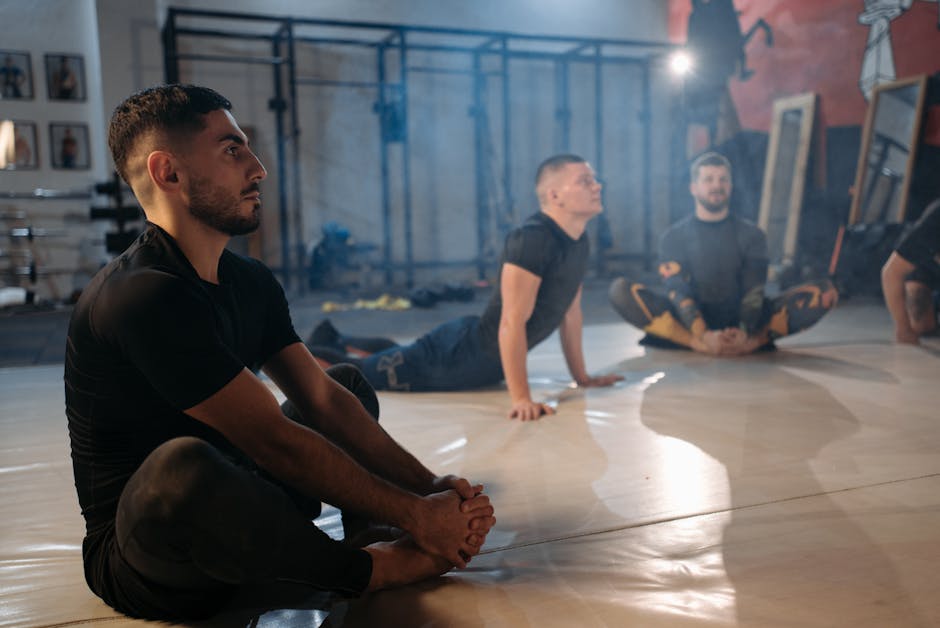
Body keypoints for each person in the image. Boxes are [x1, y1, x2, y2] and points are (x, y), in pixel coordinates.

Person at [64, 84, 495, 621]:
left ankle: (377, 533)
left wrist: (427, 489)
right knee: (184, 468)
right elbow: (271, 438)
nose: (258, 167)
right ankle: (371, 570)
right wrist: (421, 514)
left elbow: (321, 399)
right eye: (232, 150)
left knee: (346, 384)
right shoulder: (140, 294)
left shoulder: (249, 280)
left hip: (244, 498)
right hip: (156, 551)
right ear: (168, 173)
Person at [308, 154, 622, 421]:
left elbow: (570, 312)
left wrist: (582, 378)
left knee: (400, 354)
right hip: (453, 359)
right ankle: (291, 354)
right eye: (584, 181)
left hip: (473, 353)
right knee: (358, 372)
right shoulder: (532, 239)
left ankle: (338, 336)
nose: (597, 186)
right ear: (554, 196)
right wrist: (521, 398)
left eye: (594, 180)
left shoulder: (579, 240)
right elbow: (512, 322)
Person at [608, 151, 837, 355]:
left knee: (826, 293)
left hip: (744, 317)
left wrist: (745, 331)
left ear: (730, 186)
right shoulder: (673, 237)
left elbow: (754, 290)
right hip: (689, 321)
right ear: (694, 188)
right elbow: (678, 290)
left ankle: (753, 343)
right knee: (619, 291)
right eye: (708, 179)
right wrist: (702, 335)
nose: (716, 186)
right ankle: (694, 344)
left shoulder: (753, 235)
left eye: (723, 179)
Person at [881, 198, 940, 344]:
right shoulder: (934, 221)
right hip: (925, 270)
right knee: (921, 324)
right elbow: (891, 273)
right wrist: (904, 329)